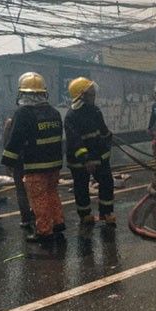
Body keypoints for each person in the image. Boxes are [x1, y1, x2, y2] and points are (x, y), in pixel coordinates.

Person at [1, 72, 65, 243]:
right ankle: (58, 222)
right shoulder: (54, 112)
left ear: (24, 93)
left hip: (35, 165)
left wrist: (8, 162)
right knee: (52, 193)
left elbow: (15, 140)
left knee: (39, 197)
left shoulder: (23, 113)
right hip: (55, 164)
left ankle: (44, 230)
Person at [64, 77, 115, 226]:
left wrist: (108, 137)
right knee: (81, 187)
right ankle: (85, 215)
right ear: (81, 95)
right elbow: (75, 141)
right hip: (80, 160)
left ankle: (106, 213)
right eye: (90, 93)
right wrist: (86, 159)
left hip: (98, 156)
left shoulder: (95, 110)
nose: (94, 95)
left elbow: (102, 130)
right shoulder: (71, 116)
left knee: (107, 182)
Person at [2, 115, 34, 229]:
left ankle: (25, 218)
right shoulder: (32, 117)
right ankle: (33, 214)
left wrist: (8, 162)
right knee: (32, 187)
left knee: (21, 189)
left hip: (18, 159)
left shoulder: (11, 122)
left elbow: (6, 142)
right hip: (30, 158)